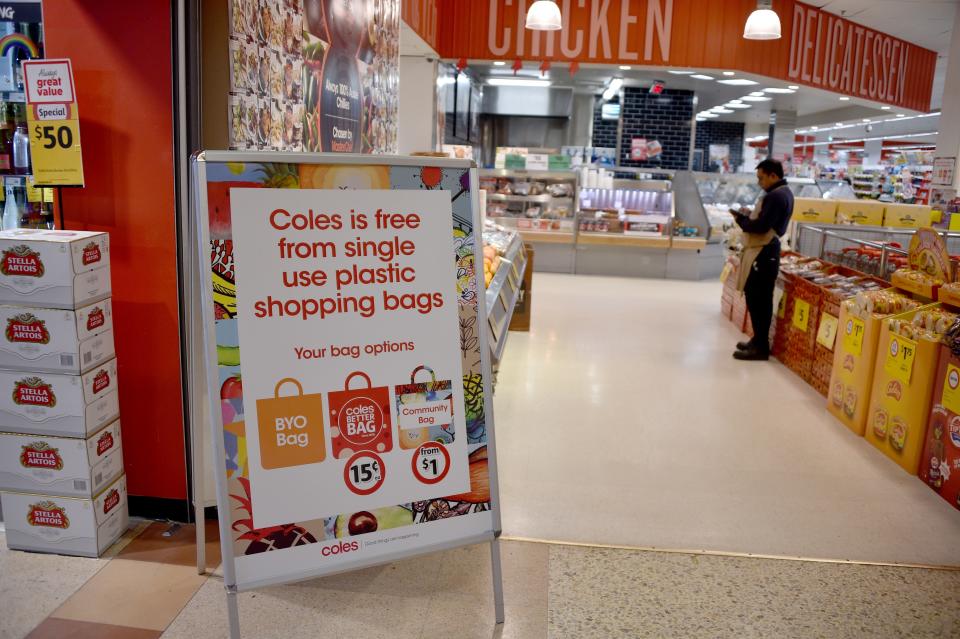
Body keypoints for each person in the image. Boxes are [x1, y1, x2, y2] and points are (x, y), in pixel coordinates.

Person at [732, 159, 794, 361]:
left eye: (761, 178)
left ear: (773, 175)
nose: (759, 182)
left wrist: (742, 220)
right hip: (766, 251)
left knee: (759, 299)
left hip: (764, 252)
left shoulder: (776, 196)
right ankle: (758, 341)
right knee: (757, 297)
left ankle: (760, 347)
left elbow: (761, 226)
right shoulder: (782, 193)